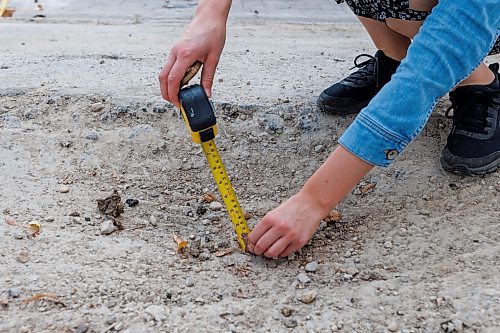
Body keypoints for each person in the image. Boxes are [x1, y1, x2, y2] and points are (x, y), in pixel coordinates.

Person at [159, 0, 500, 258]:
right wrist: (210, 16)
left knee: (427, 34)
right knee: (401, 13)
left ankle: (479, 84)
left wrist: (314, 201)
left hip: (477, 17)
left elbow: (429, 69)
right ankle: (395, 54)